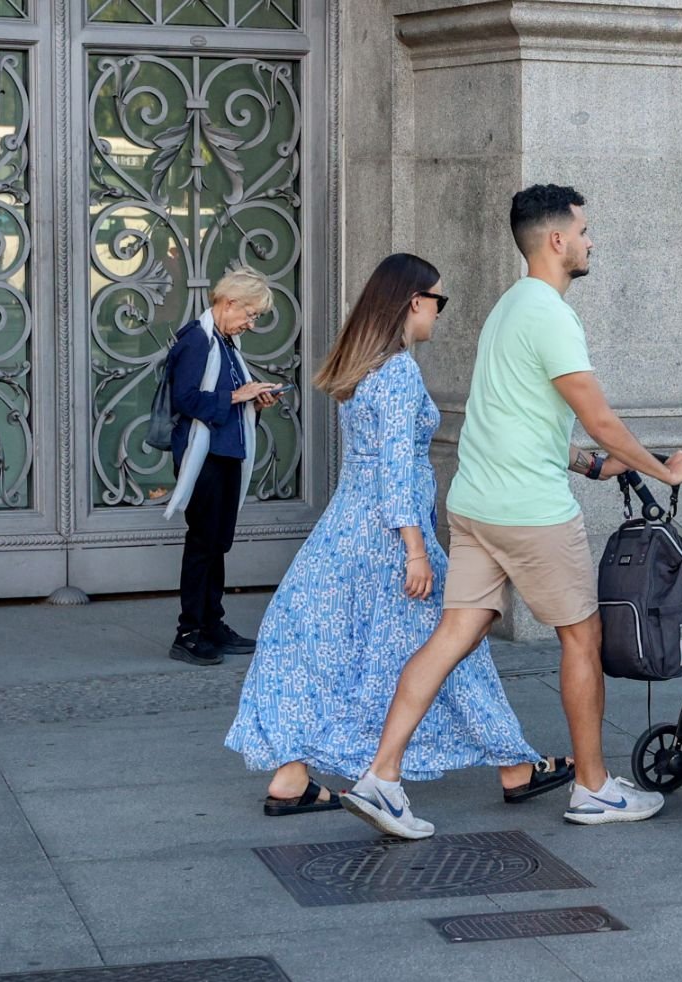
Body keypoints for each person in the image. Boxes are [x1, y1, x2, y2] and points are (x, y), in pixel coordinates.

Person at [342, 184, 682, 839]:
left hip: (477, 504)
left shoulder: (510, 308)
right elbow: (599, 414)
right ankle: (593, 787)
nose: (592, 241)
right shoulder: (552, 316)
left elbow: (514, 416)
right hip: (530, 511)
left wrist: (588, 464)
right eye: (585, 230)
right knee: (581, 638)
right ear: (557, 240)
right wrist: (661, 466)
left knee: (453, 634)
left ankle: (381, 775)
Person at [224, 253, 575, 815]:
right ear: (414, 301)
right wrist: (414, 548)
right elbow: (392, 464)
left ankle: (291, 776)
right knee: (454, 649)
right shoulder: (398, 371)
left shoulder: (366, 367)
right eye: (440, 300)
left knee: (309, 644)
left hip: (346, 529)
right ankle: (514, 767)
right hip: (388, 536)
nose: (441, 312)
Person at [163, 266, 283, 667]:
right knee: (203, 544)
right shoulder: (197, 341)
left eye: (255, 317)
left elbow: (226, 398)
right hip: (205, 458)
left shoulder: (224, 342)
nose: (251, 323)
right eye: (250, 314)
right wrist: (238, 396)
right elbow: (186, 400)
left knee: (217, 543)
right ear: (228, 302)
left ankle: (212, 623)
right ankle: (189, 632)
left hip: (226, 452)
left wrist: (254, 400)